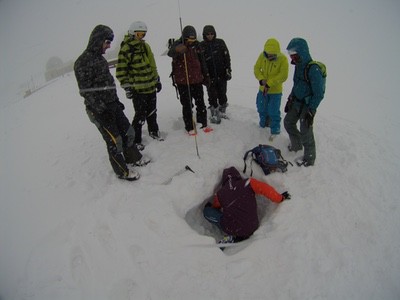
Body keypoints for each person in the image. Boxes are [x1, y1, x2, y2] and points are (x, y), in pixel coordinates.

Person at [74, 24, 150, 181]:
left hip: (112, 105)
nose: (108, 46)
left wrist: (116, 102)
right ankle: (122, 171)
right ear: (98, 40)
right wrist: (102, 109)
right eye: (107, 42)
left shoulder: (100, 60)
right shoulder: (82, 62)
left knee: (128, 132)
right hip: (99, 110)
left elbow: (108, 84)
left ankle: (133, 158)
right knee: (115, 140)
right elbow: (86, 91)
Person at [203, 166, 291, 244]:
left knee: (207, 211)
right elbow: (266, 189)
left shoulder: (220, 194)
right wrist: (280, 198)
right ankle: (239, 234)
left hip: (232, 228)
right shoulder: (249, 183)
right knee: (242, 221)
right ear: (238, 176)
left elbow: (215, 207)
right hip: (252, 226)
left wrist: (211, 206)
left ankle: (235, 235)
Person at [116, 21, 163, 151]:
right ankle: (136, 140)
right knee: (140, 115)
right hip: (138, 90)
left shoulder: (145, 46)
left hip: (150, 87)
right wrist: (127, 87)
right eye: (139, 34)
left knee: (152, 112)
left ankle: (154, 131)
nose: (141, 37)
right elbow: (121, 71)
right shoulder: (126, 49)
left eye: (143, 34)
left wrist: (157, 79)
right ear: (132, 33)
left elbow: (152, 64)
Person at [284, 38, 325, 166]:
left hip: (308, 106)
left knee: (305, 131)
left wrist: (311, 110)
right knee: (288, 122)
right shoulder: (298, 66)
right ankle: (296, 146)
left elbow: (319, 93)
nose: (293, 58)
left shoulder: (313, 69)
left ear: (302, 52)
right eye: (291, 55)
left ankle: (309, 159)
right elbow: (296, 85)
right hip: (296, 102)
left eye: (294, 55)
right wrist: (290, 98)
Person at [168, 25, 212, 135]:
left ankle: (203, 123)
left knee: (201, 104)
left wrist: (206, 76)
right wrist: (177, 50)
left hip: (197, 81)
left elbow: (202, 62)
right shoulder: (178, 44)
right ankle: (190, 127)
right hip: (183, 82)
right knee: (187, 105)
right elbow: (170, 52)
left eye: (193, 39)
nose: (192, 41)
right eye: (189, 39)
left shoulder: (197, 46)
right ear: (185, 37)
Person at [254, 38, 289, 141]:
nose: (270, 56)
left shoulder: (283, 59)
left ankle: (275, 130)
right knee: (261, 108)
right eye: (269, 54)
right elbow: (256, 68)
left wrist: (270, 83)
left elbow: (283, 75)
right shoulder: (262, 56)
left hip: (275, 92)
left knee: (273, 111)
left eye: (273, 55)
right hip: (262, 90)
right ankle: (263, 126)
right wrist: (261, 79)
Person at [199, 25, 232, 123]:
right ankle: (214, 112)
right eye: (207, 34)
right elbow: (199, 61)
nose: (210, 36)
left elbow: (227, 57)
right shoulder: (201, 45)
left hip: (222, 74)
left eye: (211, 33)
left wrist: (228, 70)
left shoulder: (220, 43)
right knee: (212, 95)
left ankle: (222, 111)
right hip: (209, 76)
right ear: (204, 35)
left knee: (222, 93)